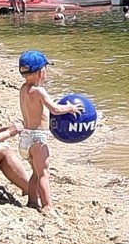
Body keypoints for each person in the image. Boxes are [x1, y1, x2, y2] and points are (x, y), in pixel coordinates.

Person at [18, 50, 83, 213]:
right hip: (37, 139)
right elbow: (54, 108)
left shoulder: (23, 89)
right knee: (44, 174)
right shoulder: (39, 91)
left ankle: (32, 202)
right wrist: (70, 107)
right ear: (41, 72)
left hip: (25, 138)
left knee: (35, 172)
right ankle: (47, 206)